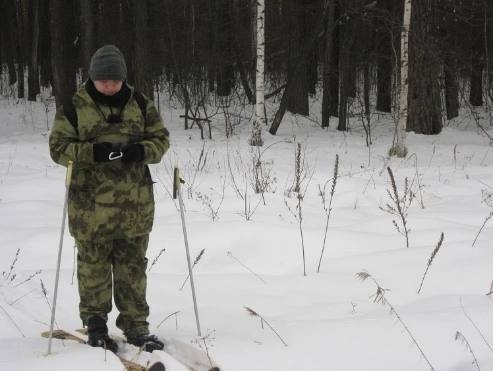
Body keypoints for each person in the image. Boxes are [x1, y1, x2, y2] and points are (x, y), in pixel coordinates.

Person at [49, 44, 170, 352]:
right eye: (103, 80)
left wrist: (141, 150)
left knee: (133, 267)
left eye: (114, 80)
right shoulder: (74, 106)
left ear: (123, 78)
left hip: (135, 207)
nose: (109, 85)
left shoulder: (140, 103)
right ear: (93, 78)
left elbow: (161, 139)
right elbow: (58, 148)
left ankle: (136, 326)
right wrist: (92, 152)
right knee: (93, 267)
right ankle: (96, 325)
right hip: (90, 208)